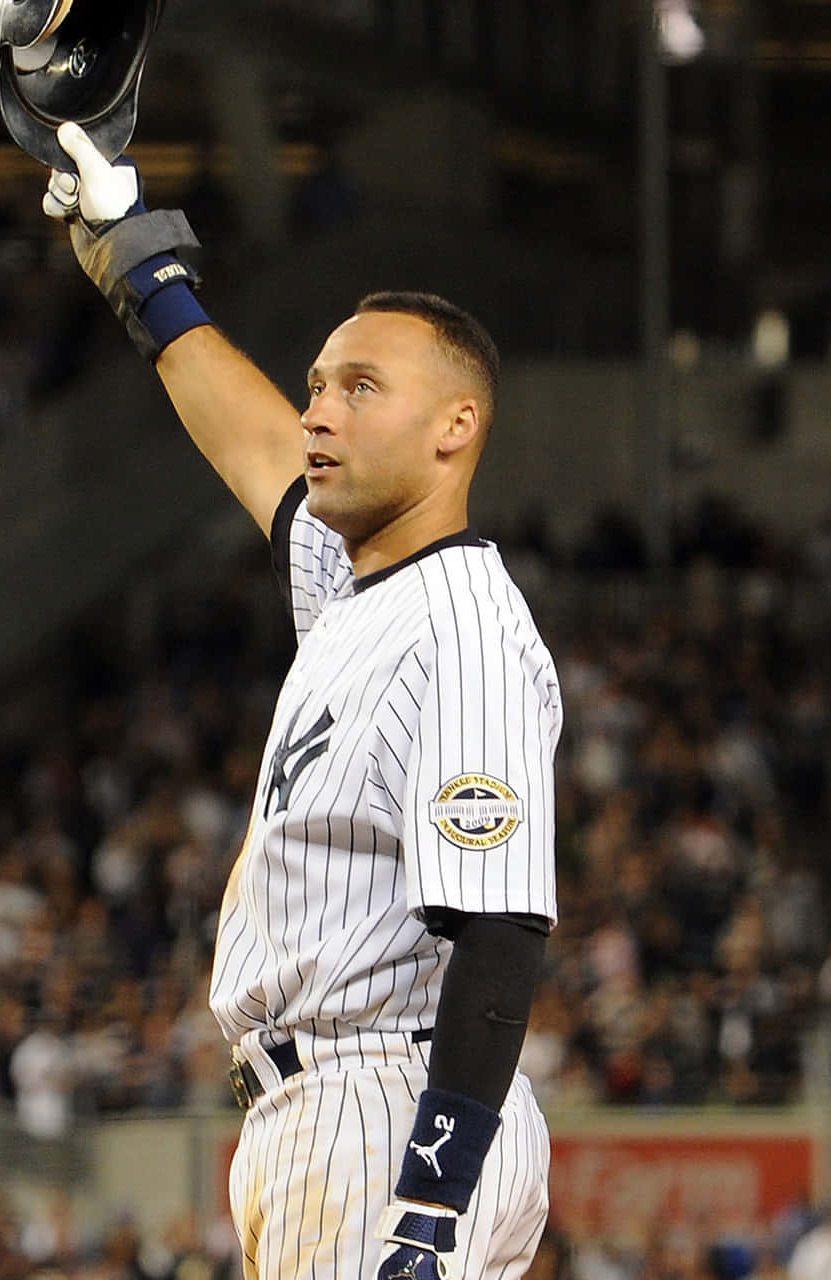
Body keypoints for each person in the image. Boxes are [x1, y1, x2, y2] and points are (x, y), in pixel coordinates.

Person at [41, 122, 561, 1279]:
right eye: (320, 384)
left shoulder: (463, 622)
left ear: (453, 428)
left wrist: (430, 1197)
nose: (319, 411)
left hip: (390, 1108)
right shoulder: (359, 577)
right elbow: (252, 444)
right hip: (330, 1104)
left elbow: (503, 925)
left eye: (359, 388)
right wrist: (136, 256)